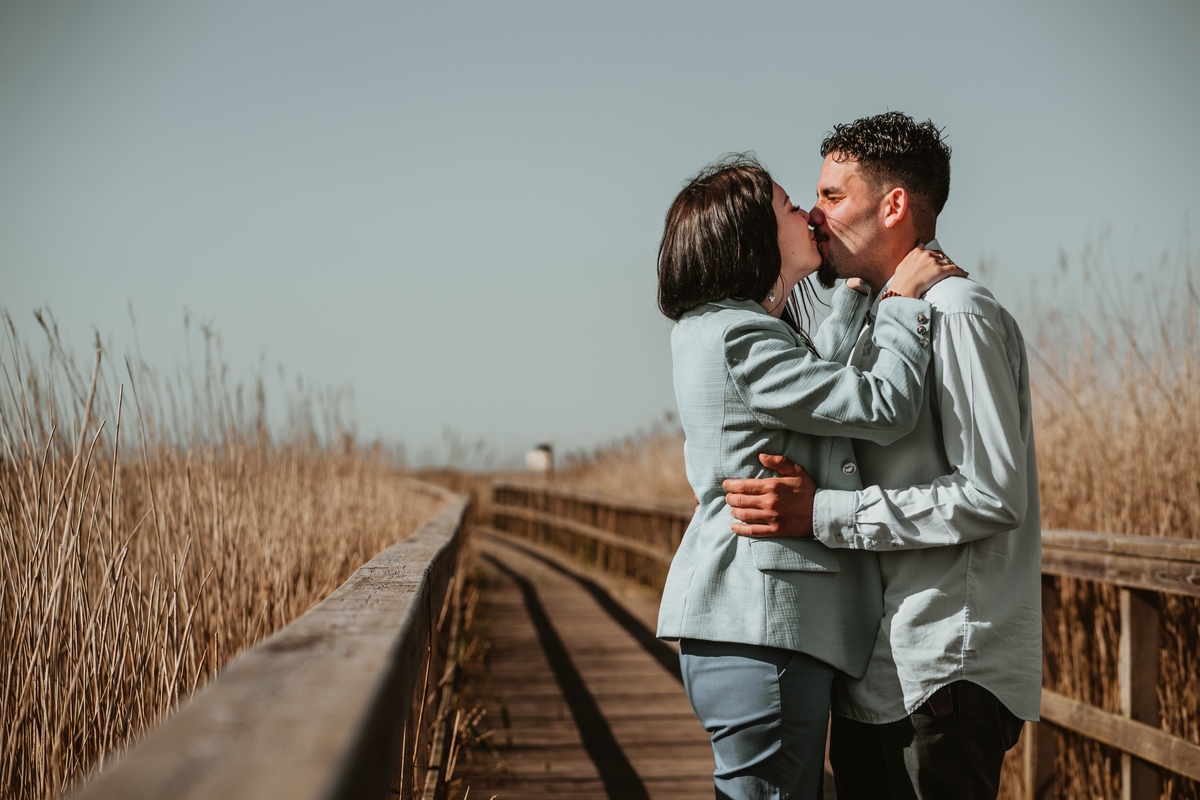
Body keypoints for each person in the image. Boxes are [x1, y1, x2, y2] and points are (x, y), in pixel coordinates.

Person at [724, 113, 1041, 800]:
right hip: (878, 671)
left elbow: (992, 492)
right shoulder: (879, 315)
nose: (813, 213)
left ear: (894, 205)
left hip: (941, 672)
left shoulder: (957, 312)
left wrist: (822, 513)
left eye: (834, 196)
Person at [655, 153, 965, 800]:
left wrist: (856, 291)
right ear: (751, 238)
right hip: (763, 628)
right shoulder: (743, 338)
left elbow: (815, 382)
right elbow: (882, 405)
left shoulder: (727, 330)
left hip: (753, 630)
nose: (810, 214)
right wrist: (902, 302)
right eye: (790, 208)